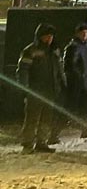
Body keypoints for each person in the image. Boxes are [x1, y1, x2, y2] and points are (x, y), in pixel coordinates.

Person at [16, 23, 65, 154]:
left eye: (51, 36)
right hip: (35, 91)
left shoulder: (54, 51)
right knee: (32, 118)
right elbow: (23, 71)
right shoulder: (30, 51)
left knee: (46, 118)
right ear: (40, 37)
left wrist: (62, 84)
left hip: (50, 90)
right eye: (47, 37)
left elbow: (60, 69)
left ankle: (41, 143)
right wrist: (25, 88)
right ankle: (27, 144)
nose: (49, 39)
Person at [62, 23, 87, 139]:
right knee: (72, 107)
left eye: (86, 33)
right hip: (78, 84)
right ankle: (56, 132)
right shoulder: (74, 47)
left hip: (85, 83)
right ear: (77, 34)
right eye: (82, 33)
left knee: (84, 108)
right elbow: (69, 66)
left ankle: (84, 130)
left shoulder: (83, 47)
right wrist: (79, 78)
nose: (85, 35)